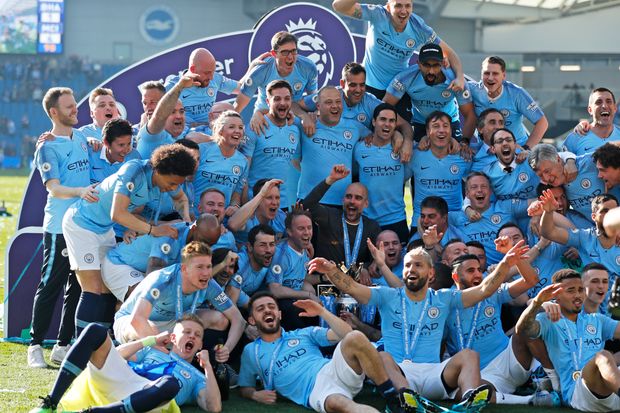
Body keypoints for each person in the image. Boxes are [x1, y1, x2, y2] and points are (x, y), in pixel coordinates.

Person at [309, 242, 528, 403]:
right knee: (382, 356)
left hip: (434, 374)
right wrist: (331, 271)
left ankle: (470, 401)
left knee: (469, 355)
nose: (411, 270)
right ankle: (406, 401)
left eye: (418, 265)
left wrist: (505, 264)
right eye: (407, 266)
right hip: (400, 375)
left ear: (431, 273)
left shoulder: (444, 298)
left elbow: (483, 290)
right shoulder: (387, 296)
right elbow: (352, 288)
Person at [63, 144, 195, 337]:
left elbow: (181, 199)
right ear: (158, 170)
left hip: (104, 228)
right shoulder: (133, 170)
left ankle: (99, 344)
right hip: (82, 224)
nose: (173, 188)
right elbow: (117, 213)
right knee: (92, 288)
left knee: (106, 290)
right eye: (172, 183)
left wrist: (186, 220)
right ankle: (78, 347)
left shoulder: (166, 179)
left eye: (177, 184)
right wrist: (153, 230)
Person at [239, 291, 419, 413]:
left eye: (271, 306)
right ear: (252, 320)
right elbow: (245, 386)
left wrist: (321, 311)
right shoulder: (251, 352)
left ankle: (391, 396)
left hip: (332, 369)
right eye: (260, 309)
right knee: (346, 407)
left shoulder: (303, 333)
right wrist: (254, 394)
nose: (267, 310)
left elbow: (345, 333)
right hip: (315, 392)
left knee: (354, 337)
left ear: (279, 314)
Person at [30, 315, 221, 413]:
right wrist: (151, 340)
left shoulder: (198, 377)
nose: (192, 337)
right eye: (187, 332)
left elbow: (214, 407)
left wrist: (208, 367)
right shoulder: (153, 349)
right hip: (125, 380)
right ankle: (49, 403)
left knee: (170, 382)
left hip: (151, 400)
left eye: (197, 335)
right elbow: (118, 354)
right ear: (172, 337)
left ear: (201, 345)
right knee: (95, 331)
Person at [28, 87, 94, 368]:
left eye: (74, 105)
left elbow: (95, 143)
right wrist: (80, 191)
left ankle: (62, 345)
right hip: (58, 227)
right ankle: (34, 346)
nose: (74, 109)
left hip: (83, 225)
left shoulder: (80, 137)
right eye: (68, 107)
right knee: (50, 285)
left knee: (77, 287)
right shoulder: (47, 146)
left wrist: (97, 144)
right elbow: (54, 189)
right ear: (54, 112)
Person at [443, 245, 558, 406]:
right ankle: (530, 400)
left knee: (525, 326)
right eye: (470, 271)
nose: (477, 274)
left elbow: (531, 280)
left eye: (478, 269)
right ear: (455, 276)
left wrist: (516, 259)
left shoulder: (492, 291)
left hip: (508, 360)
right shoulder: (445, 301)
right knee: (466, 392)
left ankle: (553, 381)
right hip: (479, 374)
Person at [113, 241, 245, 368]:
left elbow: (238, 320)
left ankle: (204, 364)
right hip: (131, 321)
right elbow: (137, 320)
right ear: (184, 269)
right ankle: (144, 358)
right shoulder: (162, 280)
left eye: (209, 266)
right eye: (199, 267)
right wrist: (164, 354)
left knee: (220, 319)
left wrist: (227, 348)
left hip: (171, 323)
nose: (206, 273)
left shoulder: (209, 284)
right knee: (152, 329)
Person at [332, 0, 465, 120]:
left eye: (408, 6)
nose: (403, 11)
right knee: (368, 130)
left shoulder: (419, 27)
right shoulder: (378, 14)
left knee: (402, 132)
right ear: (388, 7)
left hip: (398, 89)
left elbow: (450, 53)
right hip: (370, 86)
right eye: (398, 6)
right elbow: (338, 6)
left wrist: (459, 77)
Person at [516, 269, 620, 412]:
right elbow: (522, 330)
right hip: (577, 393)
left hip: (609, 390)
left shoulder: (597, 319)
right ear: (556, 296)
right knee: (602, 356)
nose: (578, 295)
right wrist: (537, 303)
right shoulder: (548, 320)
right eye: (571, 291)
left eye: (581, 290)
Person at [299, 62, 413, 159]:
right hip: (329, 155)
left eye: (362, 85)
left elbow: (404, 124)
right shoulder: (330, 95)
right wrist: (305, 116)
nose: (358, 90)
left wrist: (405, 140)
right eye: (353, 85)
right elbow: (295, 105)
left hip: (359, 159)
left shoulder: (371, 102)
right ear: (342, 84)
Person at [101, 213, 221, 302]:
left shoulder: (199, 240)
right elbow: (152, 277)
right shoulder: (170, 234)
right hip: (120, 264)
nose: (204, 246)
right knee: (145, 297)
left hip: (144, 270)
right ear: (194, 228)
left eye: (210, 244)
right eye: (203, 241)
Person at [302, 165, 381, 283]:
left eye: (358, 198)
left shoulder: (372, 227)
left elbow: (375, 259)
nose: (352, 201)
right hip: (327, 285)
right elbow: (307, 205)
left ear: (366, 204)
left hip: (356, 287)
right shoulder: (330, 216)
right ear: (343, 200)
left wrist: (365, 267)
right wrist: (330, 180)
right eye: (348, 197)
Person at [384, 43, 476, 141]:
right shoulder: (405, 78)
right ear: (418, 63)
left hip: (449, 123)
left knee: (457, 153)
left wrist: (465, 142)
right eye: (426, 65)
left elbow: (470, 114)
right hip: (420, 123)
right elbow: (385, 106)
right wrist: (404, 126)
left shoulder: (456, 80)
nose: (431, 71)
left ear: (443, 63)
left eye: (436, 65)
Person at [295, 86, 369, 206]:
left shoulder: (355, 127)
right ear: (318, 106)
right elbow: (290, 106)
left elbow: (380, 136)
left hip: (341, 202)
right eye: (329, 102)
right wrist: (303, 116)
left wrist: (398, 135)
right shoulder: (307, 124)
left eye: (338, 101)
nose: (334, 106)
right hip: (308, 199)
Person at [234, 31, 318, 134]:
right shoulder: (261, 71)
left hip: (295, 114)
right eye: (285, 52)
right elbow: (237, 107)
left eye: (294, 51)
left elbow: (314, 100)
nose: (290, 57)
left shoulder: (308, 67)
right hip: (265, 116)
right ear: (274, 54)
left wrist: (307, 116)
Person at [238, 80, 301, 208]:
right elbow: (243, 170)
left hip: (283, 205)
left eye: (287, 99)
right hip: (255, 202)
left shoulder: (294, 129)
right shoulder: (255, 127)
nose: (282, 103)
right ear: (268, 102)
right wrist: (244, 204)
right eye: (277, 99)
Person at [353, 103, 411, 243]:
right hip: (367, 219)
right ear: (373, 121)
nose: (387, 124)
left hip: (396, 219)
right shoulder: (359, 148)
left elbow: (427, 145)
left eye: (392, 121)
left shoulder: (404, 148)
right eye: (383, 119)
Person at [539, 191, 620, 283]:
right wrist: (548, 212)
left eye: (613, 211)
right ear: (593, 216)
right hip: (593, 295)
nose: (609, 215)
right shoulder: (585, 237)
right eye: (605, 211)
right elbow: (548, 232)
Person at [408, 111, 471, 229]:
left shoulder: (463, 156)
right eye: (436, 126)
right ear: (427, 132)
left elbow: (476, 183)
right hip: (422, 222)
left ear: (451, 131)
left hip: (454, 222)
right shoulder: (415, 154)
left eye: (445, 126)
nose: (441, 130)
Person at [450, 172, 530, 264]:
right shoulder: (456, 217)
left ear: (490, 191)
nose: (479, 190)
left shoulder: (505, 207)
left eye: (484, 186)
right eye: (474, 187)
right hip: (478, 273)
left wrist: (535, 215)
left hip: (512, 267)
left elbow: (539, 202)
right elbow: (435, 221)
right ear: (467, 194)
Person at [468, 56, 548, 148]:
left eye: (495, 74)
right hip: (487, 149)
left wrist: (526, 148)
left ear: (503, 76)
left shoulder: (517, 93)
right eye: (486, 73)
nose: (490, 78)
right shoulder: (472, 90)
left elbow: (542, 122)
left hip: (516, 148)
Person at [266, 209, 319, 330]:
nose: (307, 233)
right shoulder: (281, 254)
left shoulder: (303, 249)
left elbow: (299, 277)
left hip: (296, 301)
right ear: (289, 231)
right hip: (281, 305)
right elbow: (275, 290)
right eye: (301, 229)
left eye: (309, 228)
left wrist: (324, 277)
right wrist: (308, 295)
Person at [164, 47, 240, 130]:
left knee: (225, 108)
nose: (211, 77)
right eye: (207, 73)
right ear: (193, 69)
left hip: (212, 131)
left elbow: (243, 89)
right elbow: (154, 115)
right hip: (186, 135)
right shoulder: (172, 86)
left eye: (213, 72)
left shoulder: (215, 78)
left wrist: (252, 71)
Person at [528, 143, 603, 222]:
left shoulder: (590, 162)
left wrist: (570, 160)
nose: (546, 178)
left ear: (558, 160)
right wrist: (537, 214)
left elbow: (613, 151)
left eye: (547, 171)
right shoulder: (558, 185)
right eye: (540, 175)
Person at [193, 110, 248, 213]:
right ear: (220, 131)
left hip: (221, 220)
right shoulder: (202, 150)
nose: (237, 131)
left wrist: (234, 206)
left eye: (240, 128)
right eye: (231, 127)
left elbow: (236, 192)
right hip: (194, 216)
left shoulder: (243, 161)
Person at [136, 73, 201, 159]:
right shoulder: (152, 134)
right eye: (145, 103)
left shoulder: (181, 130)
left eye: (153, 102)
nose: (148, 107)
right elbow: (158, 117)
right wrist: (180, 86)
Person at [228, 179, 286, 246]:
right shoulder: (247, 215)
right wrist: (261, 194)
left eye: (277, 197)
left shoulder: (280, 216)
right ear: (257, 199)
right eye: (269, 197)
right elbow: (233, 225)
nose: (274, 202)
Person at [226, 225, 276, 302]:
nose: (269, 250)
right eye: (262, 245)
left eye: (272, 244)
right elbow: (231, 303)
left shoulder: (270, 258)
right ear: (250, 247)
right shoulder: (238, 265)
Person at [563, 88, 620, 155]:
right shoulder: (574, 138)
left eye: (608, 101)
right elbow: (561, 163)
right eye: (598, 102)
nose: (604, 106)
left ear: (615, 108)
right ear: (590, 110)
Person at [89, 118, 141, 185]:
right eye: (121, 145)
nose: (126, 150)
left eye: (129, 144)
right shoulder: (89, 152)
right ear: (106, 142)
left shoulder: (134, 157)